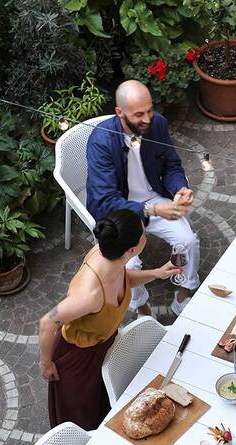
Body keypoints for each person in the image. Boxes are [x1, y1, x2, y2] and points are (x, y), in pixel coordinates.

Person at [38, 209, 181, 430]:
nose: (146, 236)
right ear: (132, 249)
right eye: (144, 234)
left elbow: (122, 279)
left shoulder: (113, 254)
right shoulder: (90, 295)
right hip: (79, 359)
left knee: (108, 405)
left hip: (105, 346)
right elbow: (47, 323)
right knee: (83, 418)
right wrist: (46, 363)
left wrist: (156, 273)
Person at [86, 79, 200, 318]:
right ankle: (140, 306)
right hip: (120, 212)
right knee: (128, 264)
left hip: (154, 197)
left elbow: (171, 164)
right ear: (119, 112)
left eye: (149, 110)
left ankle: (184, 292)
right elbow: (105, 201)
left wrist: (180, 187)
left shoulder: (157, 124)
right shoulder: (100, 141)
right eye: (139, 114)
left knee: (187, 240)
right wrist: (154, 209)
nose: (147, 119)